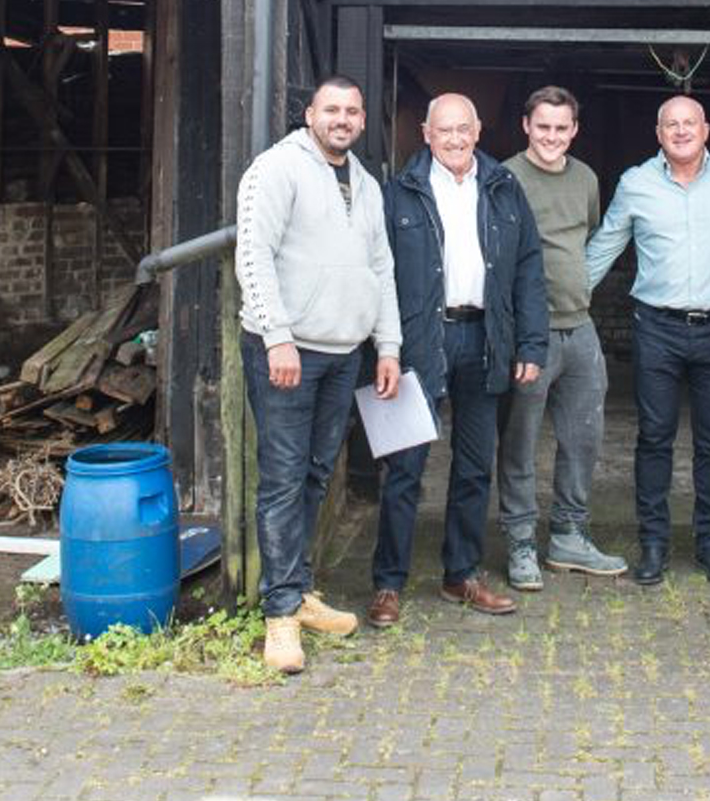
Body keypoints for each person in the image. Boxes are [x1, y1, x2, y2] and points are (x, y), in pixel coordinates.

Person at [233, 77, 403, 675]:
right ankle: (279, 617)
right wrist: (276, 335)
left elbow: (380, 267)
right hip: (288, 350)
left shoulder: (366, 182)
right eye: (332, 109)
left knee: (311, 475)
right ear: (310, 115)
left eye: (353, 110)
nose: (343, 118)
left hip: (344, 353)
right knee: (281, 478)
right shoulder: (276, 169)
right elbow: (252, 254)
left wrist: (387, 344)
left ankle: (299, 591)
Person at [369, 93, 549, 625]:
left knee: (474, 467)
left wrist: (531, 344)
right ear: (425, 133)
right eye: (443, 130)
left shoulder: (503, 186)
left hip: (484, 338)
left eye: (462, 129)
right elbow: (377, 274)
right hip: (418, 342)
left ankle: (461, 575)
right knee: (405, 467)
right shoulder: (398, 192)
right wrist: (386, 345)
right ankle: (387, 584)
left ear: (478, 131)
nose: (453, 139)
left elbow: (528, 270)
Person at [585, 94, 710, 586]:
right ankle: (653, 543)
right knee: (654, 439)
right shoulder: (636, 183)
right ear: (658, 134)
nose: (681, 131)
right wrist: (562, 304)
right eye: (670, 125)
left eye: (689, 123)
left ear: (706, 129)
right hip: (656, 327)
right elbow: (605, 245)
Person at [494, 86, 627, 589]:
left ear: (574, 129)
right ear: (526, 125)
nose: (552, 136)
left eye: (561, 128)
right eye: (542, 126)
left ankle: (569, 535)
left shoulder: (586, 178)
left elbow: (583, 237)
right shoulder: (505, 178)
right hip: (530, 333)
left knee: (583, 438)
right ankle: (521, 540)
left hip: (582, 327)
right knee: (520, 441)